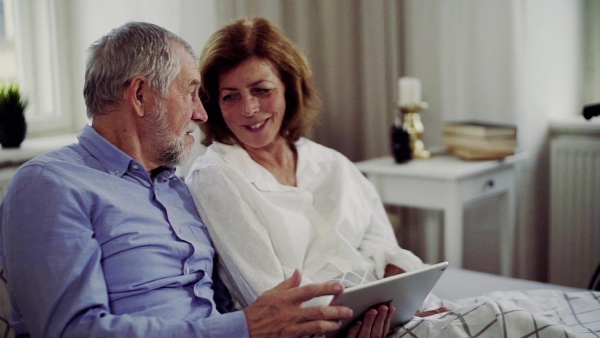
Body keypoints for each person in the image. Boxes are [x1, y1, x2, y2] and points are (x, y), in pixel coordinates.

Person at [0, 21, 365, 338]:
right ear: (141, 95)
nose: (202, 113)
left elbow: (226, 307)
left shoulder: (177, 189)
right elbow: (72, 332)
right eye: (191, 92)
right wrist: (244, 329)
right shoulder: (50, 184)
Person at [185, 17, 439, 335]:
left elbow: (384, 247)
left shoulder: (332, 163)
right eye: (230, 96)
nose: (248, 108)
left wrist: (399, 280)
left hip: (397, 317)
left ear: (289, 89)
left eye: (261, 90)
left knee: (515, 315)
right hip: (328, 331)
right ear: (213, 103)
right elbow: (273, 302)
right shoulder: (215, 178)